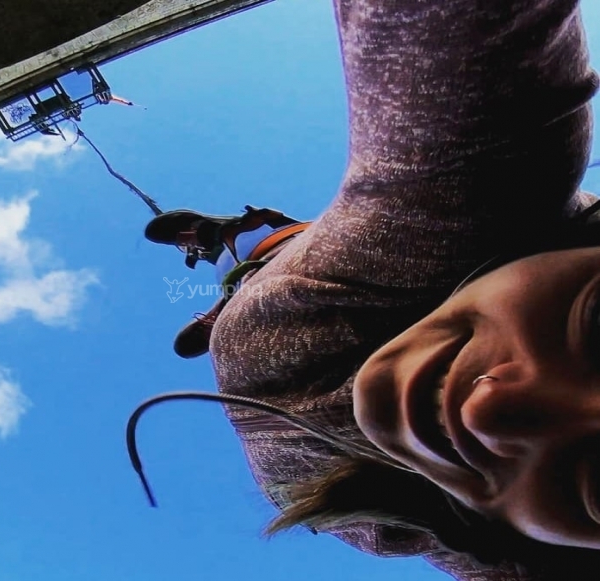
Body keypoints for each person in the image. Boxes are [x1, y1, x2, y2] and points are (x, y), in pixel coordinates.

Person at [146, 1, 600, 579]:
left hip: (299, 455)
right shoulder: (489, 202)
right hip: (317, 296)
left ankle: (234, 274)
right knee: (319, 260)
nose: (491, 408)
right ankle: (241, 247)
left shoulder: (522, 559)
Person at [145, 206, 311, 358]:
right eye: (185, 245)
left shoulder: (233, 243)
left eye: (185, 240)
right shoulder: (228, 269)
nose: (190, 246)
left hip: (282, 251)